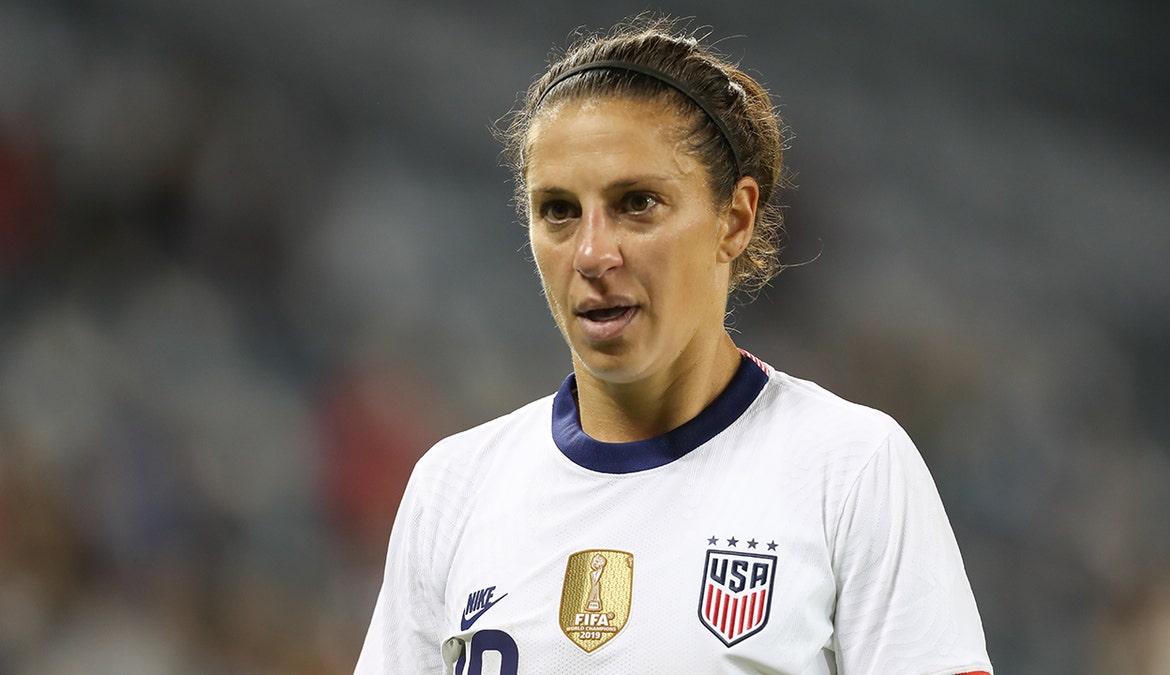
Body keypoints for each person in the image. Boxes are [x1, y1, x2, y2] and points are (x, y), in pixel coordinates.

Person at [355, 15, 992, 675]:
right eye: (559, 211)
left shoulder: (850, 470)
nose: (594, 253)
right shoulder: (453, 487)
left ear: (735, 218)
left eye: (637, 202)